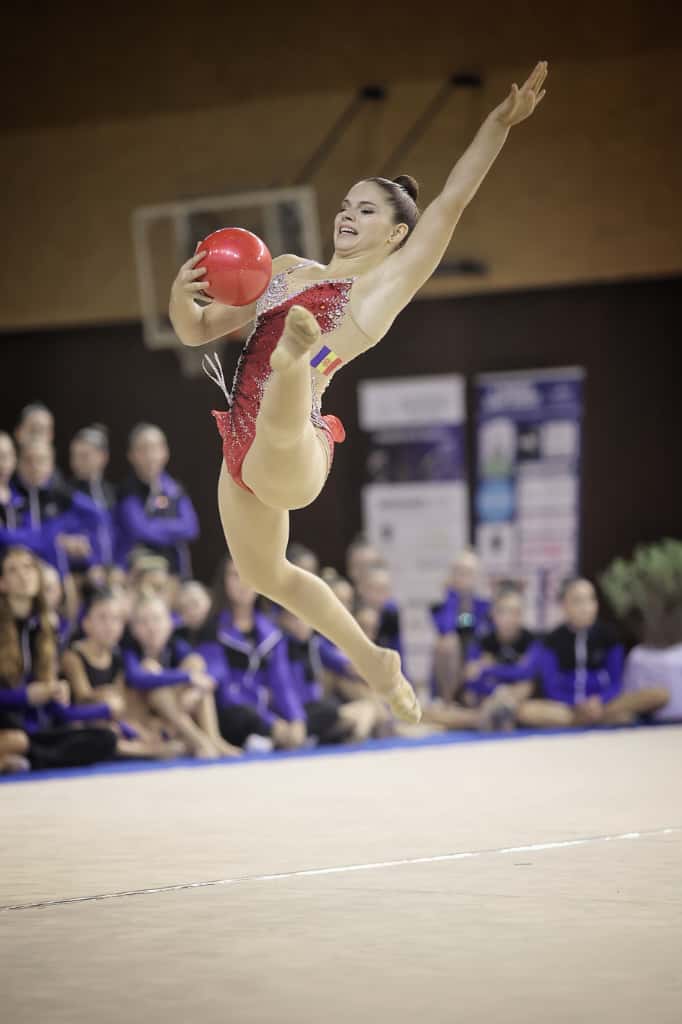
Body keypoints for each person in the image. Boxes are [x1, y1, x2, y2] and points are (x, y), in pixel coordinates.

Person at [169, 61, 548, 726]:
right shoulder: (283, 271)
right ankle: (375, 661)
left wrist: (494, 124)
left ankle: (293, 360)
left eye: (365, 210)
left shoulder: (381, 288)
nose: (348, 215)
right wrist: (182, 296)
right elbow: (199, 330)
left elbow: (451, 203)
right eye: (345, 206)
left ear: (395, 235)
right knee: (267, 577)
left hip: (294, 442)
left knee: (285, 406)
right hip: (243, 446)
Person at [0, 546, 117, 771]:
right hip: (6, 723)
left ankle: (24, 760)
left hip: (35, 728)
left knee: (104, 738)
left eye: (28, 567)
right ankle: (25, 757)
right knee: (18, 740)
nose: (24, 575)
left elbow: (56, 709)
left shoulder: (45, 627)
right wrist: (25, 696)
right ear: (2, 583)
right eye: (13, 570)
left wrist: (56, 693)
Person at [519, 578, 669, 728]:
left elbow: (616, 682)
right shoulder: (551, 642)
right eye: (578, 601)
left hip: (604, 705)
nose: (586, 607)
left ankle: (588, 720)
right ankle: (587, 720)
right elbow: (551, 688)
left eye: (591, 600)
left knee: (660, 694)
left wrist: (598, 701)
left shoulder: (610, 637)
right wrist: (577, 704)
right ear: (564, 606)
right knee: (526, 711)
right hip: (567, 708)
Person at [197, 555, 308, 751]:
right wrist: (271, 723)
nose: (243, 583)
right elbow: (224, 692)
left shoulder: (272, 631)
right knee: (242, 715)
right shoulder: (212, 631)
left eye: (248, 575)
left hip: (268, 713)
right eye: (234, 575)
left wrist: (296, 720)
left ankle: (282, 737)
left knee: (321, 710)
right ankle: (272, 738)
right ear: (223, 582)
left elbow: (282, 683)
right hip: (234, 715)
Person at [62, 589, 181, 758]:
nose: (110, 625)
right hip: (82, 721)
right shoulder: (73, 655)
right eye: (103, 618)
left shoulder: (117, 658)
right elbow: (83, 696)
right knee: (107, 732)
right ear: (87, 623)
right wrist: (105, 695)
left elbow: (121, 703)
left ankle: (146, 741)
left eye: (116, 619)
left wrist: (137, 728)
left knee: (146, 720)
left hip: (111, 717)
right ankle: (150, 750)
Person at [122, 593, 238, 758]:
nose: (151, 627)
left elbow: (204, 672)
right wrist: (185, 678)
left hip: (177, 712)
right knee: (152, 675)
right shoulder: (130, 650)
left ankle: (214, 738)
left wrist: (194, 691)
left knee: (195, 662)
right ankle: (201, 741)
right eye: (143, 621)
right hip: (148, 720)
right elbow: (136, 678)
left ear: (169, 623)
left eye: (157, 619)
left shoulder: (175, 646)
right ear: (133, 629)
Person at [115, 424, 199, 579]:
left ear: (165, 452)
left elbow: (191, 528)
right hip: (136, 574)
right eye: (143, 449)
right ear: (131, 455)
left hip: (176, 573)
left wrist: (154, 524)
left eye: (155, 448)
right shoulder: (127, 492)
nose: (150, 455)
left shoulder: (175, 489)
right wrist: (173, 529)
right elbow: (140, 530)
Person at [462, 581, 543, 729]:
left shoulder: (531, 641)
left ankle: (492, 715)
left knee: (524, 687)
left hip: (516, 698)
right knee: (470, 695)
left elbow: (527, 674)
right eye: (502, 611)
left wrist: (490, 667)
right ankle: (493, 715)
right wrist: (508, 674)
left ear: (521, 615)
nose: (508, 618)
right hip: (486, 695)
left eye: (514, 612)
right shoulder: (482, 640)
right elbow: (471, 676)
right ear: (493, 613)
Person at [430, 547, 492, 702]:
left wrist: (476, 662)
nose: (462, 577)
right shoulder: (440, 608)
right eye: (458, 571)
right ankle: (447, 701)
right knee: (447, 643)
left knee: (487, 656)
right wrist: (452, 596)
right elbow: (446, 628)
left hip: (475, 669)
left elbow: (487, 639)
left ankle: (472, 702)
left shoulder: (485, 607)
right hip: (450, 676)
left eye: (468, 572)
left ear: (477, 576)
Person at [69, 424, 117, 574]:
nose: (77, 462)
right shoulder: (66, 493)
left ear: (103, 457)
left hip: (113, 570)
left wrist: (119, 567)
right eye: (74, 456)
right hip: (81, 571)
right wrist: (91, 564)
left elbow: (121, 534)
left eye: (84, 456)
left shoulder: (113, 491)